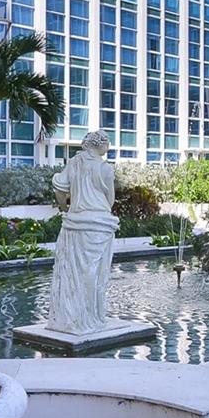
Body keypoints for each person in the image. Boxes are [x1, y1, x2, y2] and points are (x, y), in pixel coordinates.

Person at [47, 131, 118, 334]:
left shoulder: (75, 162)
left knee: (71, 271)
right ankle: (90, 318)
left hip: (75, 221)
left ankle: (69, 317)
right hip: (99, 224)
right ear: (101, 145)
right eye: (108, 144)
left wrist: (64, 208)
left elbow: (59, 189)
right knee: (94, 272)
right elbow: (110, 200)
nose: (109, 148)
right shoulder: (105, 168)